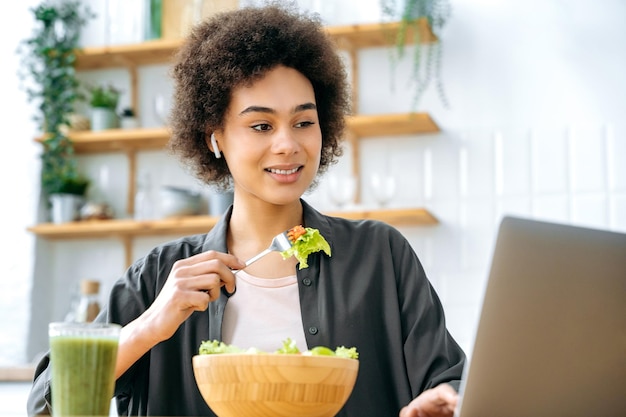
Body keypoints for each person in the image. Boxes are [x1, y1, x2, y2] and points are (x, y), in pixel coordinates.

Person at [27, 4, 465, 416]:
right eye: (261, 125)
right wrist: (153, 325)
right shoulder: (161, 276)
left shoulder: (380, 255)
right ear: (215, 136)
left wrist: (448, 401)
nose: (287, 144)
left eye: (303, 122)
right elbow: (47, 403)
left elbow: (449, 383)